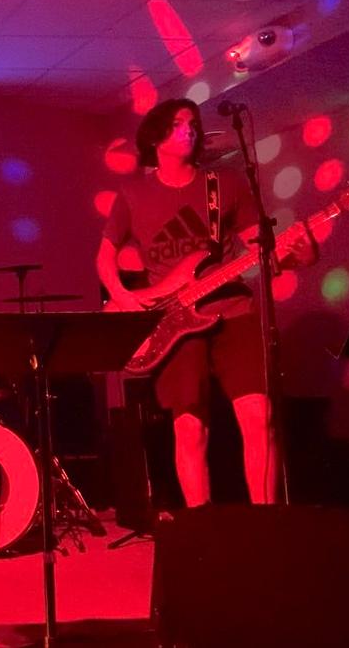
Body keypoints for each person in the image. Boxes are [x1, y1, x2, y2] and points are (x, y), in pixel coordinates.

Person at [97, 98, 315, 507]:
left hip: (234, 311)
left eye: (193, 123)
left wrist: (294, 254)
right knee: (190, 428)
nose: (190, 129)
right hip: (174, 322)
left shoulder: (223, 183)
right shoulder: (133, 193)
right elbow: (104, 258)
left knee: (260, 418)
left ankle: (265, 521)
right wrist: (124, 299)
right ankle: (201, 525)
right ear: (156, 136)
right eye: (178, 123)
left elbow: (259, 250)